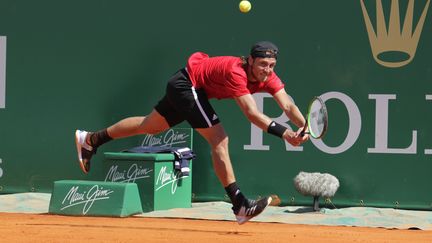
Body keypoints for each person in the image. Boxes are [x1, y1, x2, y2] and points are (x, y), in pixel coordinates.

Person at [75, 41, 309, 224]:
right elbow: (251, 113)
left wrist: (304, 127)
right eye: (262, 65)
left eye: (271, 66)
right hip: (188, 86)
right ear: (250, 61)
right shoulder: (235, 72)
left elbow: (288, 106)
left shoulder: (269, 76)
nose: (267, 70)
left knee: (149, 126)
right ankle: (240, 205)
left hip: (187, 85)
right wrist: (286, 134)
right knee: (219, 138)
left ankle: (91, 139)